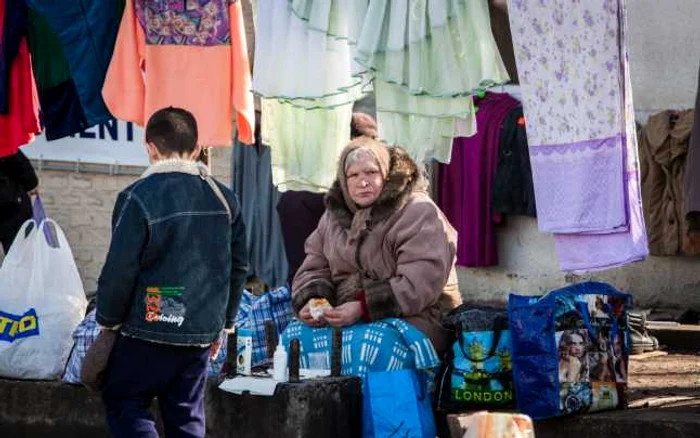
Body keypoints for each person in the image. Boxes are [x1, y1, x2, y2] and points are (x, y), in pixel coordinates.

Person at [95, 107, 248, 438]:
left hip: (147, 327)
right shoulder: (225, 199)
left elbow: (120, 269)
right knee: (186, 416)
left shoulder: (136, 196)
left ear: (149, 147)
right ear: (196, 149)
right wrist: (225, 325)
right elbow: (239, 267)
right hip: (202, 332)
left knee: (125, 401)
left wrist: (107, 319)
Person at [284, 135, 462, 375]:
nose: (363, 182)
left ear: (386, 175)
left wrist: (363, 307)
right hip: (345, 316)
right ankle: (320, 410)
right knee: (294, 339)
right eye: (354, 176)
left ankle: (374, 411)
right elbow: (314, 266)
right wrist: (314, 301)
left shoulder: (417, 211)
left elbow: (421, 282)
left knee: (372, 345)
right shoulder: (333, 217)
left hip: (418, 316)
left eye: (371, 173)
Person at [0, 149, 38, 253]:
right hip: (10, 202)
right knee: (18, 255)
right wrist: (31, 184)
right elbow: (17, 160)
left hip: (9, 201)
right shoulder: (4, 141)